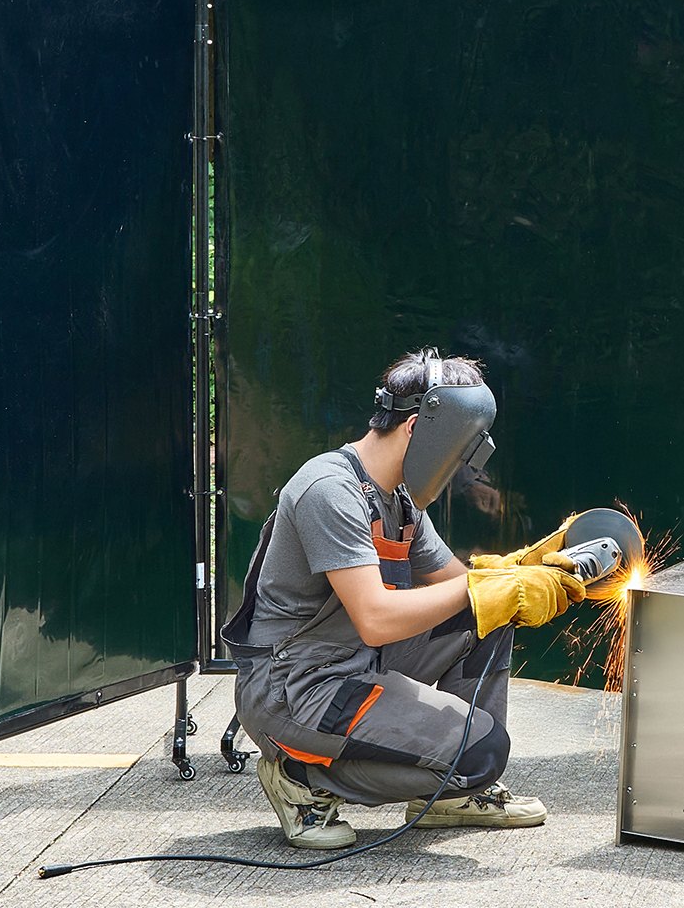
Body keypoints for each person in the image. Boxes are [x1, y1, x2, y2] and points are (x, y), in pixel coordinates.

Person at [222, 348, 585, 848]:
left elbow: (460, 588)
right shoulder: (330, 489)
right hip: (296, 688)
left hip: (356, 665)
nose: (460, 470)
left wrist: (519, 570)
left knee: (487, 614)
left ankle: (453, 796)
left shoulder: (399, 499)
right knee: (480, 754)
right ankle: (301, 777)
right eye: (458, 453)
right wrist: (488, 584)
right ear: (417, 428)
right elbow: (375, 618)